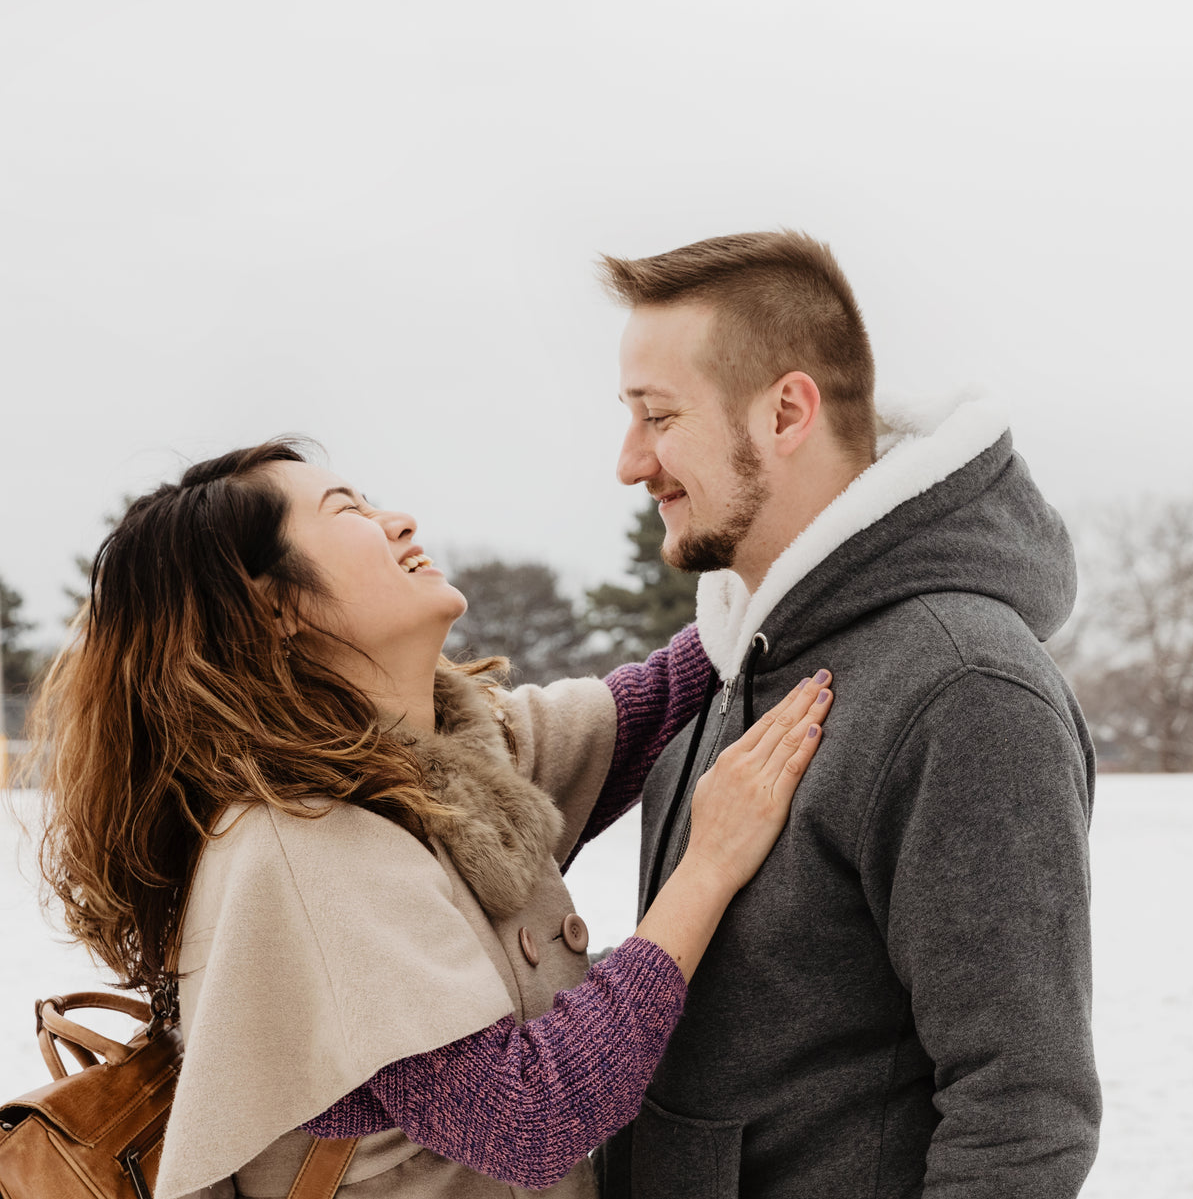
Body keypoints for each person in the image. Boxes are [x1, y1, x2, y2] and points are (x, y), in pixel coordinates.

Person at [29, 440, 835, 1199]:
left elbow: (649, 705)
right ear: (271, 609)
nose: (400, 520)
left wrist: (791, 540)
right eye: (346, 510)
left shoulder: (430, 756)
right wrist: (708, 864)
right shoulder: (301, 841)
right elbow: (527, 1115)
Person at [598, 231, 1100, 1198]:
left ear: (788, 409)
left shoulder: (965, 690)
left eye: (658, 417)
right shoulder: (735, 663)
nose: (630, 462)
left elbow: (1024, 1111)